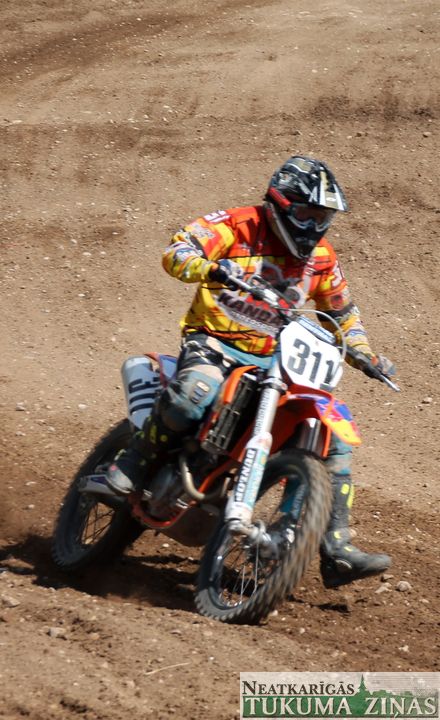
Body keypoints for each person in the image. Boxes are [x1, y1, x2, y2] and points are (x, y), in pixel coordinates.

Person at [107, 155, 395, 589]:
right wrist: (209, 266)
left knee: (331, 437)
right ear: (281, 204)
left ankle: (334, 548)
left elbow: (342, 313)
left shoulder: (321, 256)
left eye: (323, 217)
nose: (315, 226)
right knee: (194, 393)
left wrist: (364, 353)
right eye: (307, 213)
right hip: (215, 341)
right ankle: (134, 460)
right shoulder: (237, 225)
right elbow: (178, 250)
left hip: (278, 361)